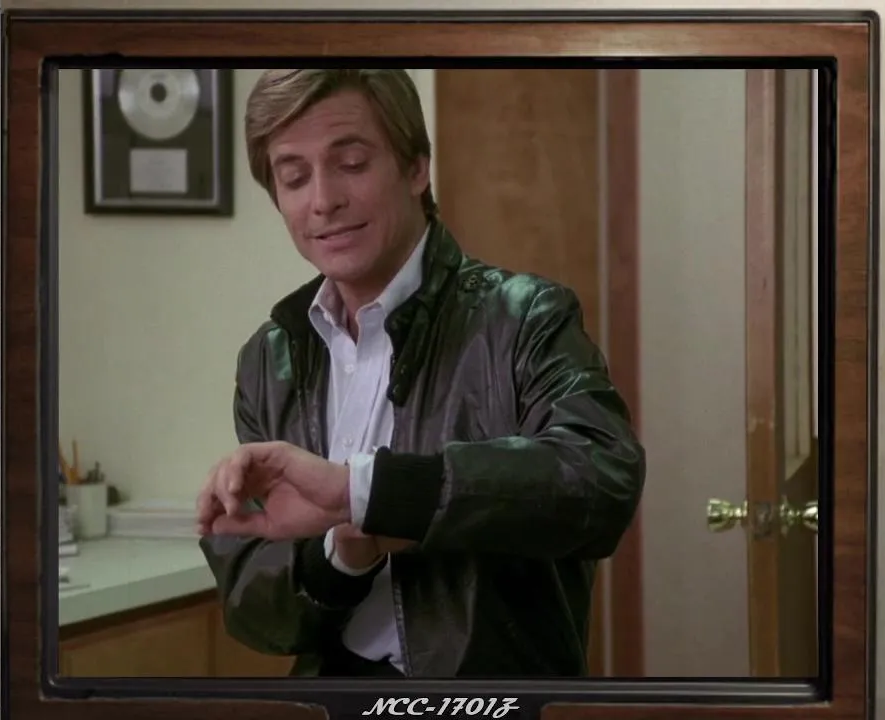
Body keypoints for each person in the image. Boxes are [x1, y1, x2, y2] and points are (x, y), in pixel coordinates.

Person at [196, 68, 645, 678]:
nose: (323, 200)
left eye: (352, 163)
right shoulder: (271, 356)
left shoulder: (522, 316)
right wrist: (344, 556)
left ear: (415, 168)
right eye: (294, 177)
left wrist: (367, 492)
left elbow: (601, 480)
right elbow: (256, 613)